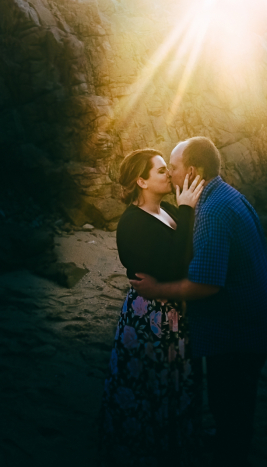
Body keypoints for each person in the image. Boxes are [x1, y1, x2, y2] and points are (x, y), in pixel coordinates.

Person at [130, 136, 267, 467]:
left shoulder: (212, 211)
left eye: (174, 167)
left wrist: (156, 290)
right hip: (252, 323)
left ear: (193, 170)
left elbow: (205, 285)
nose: (170, 174)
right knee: (235, 408)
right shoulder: (229, 196)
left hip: (238, 333)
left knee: (229, 409)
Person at [97, 148, 206, 467]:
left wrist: (184, 212)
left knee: (173, 383)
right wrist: (187, 211)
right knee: (147, 386)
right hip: (149, 316)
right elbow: (174, 265)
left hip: (174, 311)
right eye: (160, 171)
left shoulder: (168, 209)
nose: (167, 175)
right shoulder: (131, 223)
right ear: (141, 180)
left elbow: (187, 253)